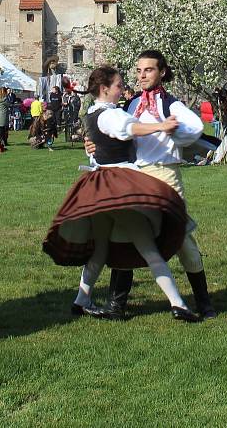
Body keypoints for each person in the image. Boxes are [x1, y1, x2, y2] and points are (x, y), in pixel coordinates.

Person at [43, 66, 198, 322]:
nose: (122, 89)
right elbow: (128, 129)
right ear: (105, 89)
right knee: (149, 248)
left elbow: (109, 138)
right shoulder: (107, 115)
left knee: (101, 249)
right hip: (117, 186)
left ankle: (81, 299)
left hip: (101, 187)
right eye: (118, 85)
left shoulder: (95, 113)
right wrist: (162, 125)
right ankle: (178, 304)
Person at [88, 50, 217, 320]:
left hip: (166, 175)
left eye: (148, 70)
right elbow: (116, 134)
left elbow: (194, 128)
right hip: (136, 175)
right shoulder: (131, 104)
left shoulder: (171, 104)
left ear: (161, 72)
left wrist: (174, 134)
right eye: (138, 70)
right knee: (126, 234)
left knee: (181, 238)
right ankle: (116, 305)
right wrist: (94, 146)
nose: (142, 75)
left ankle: (204, 303)